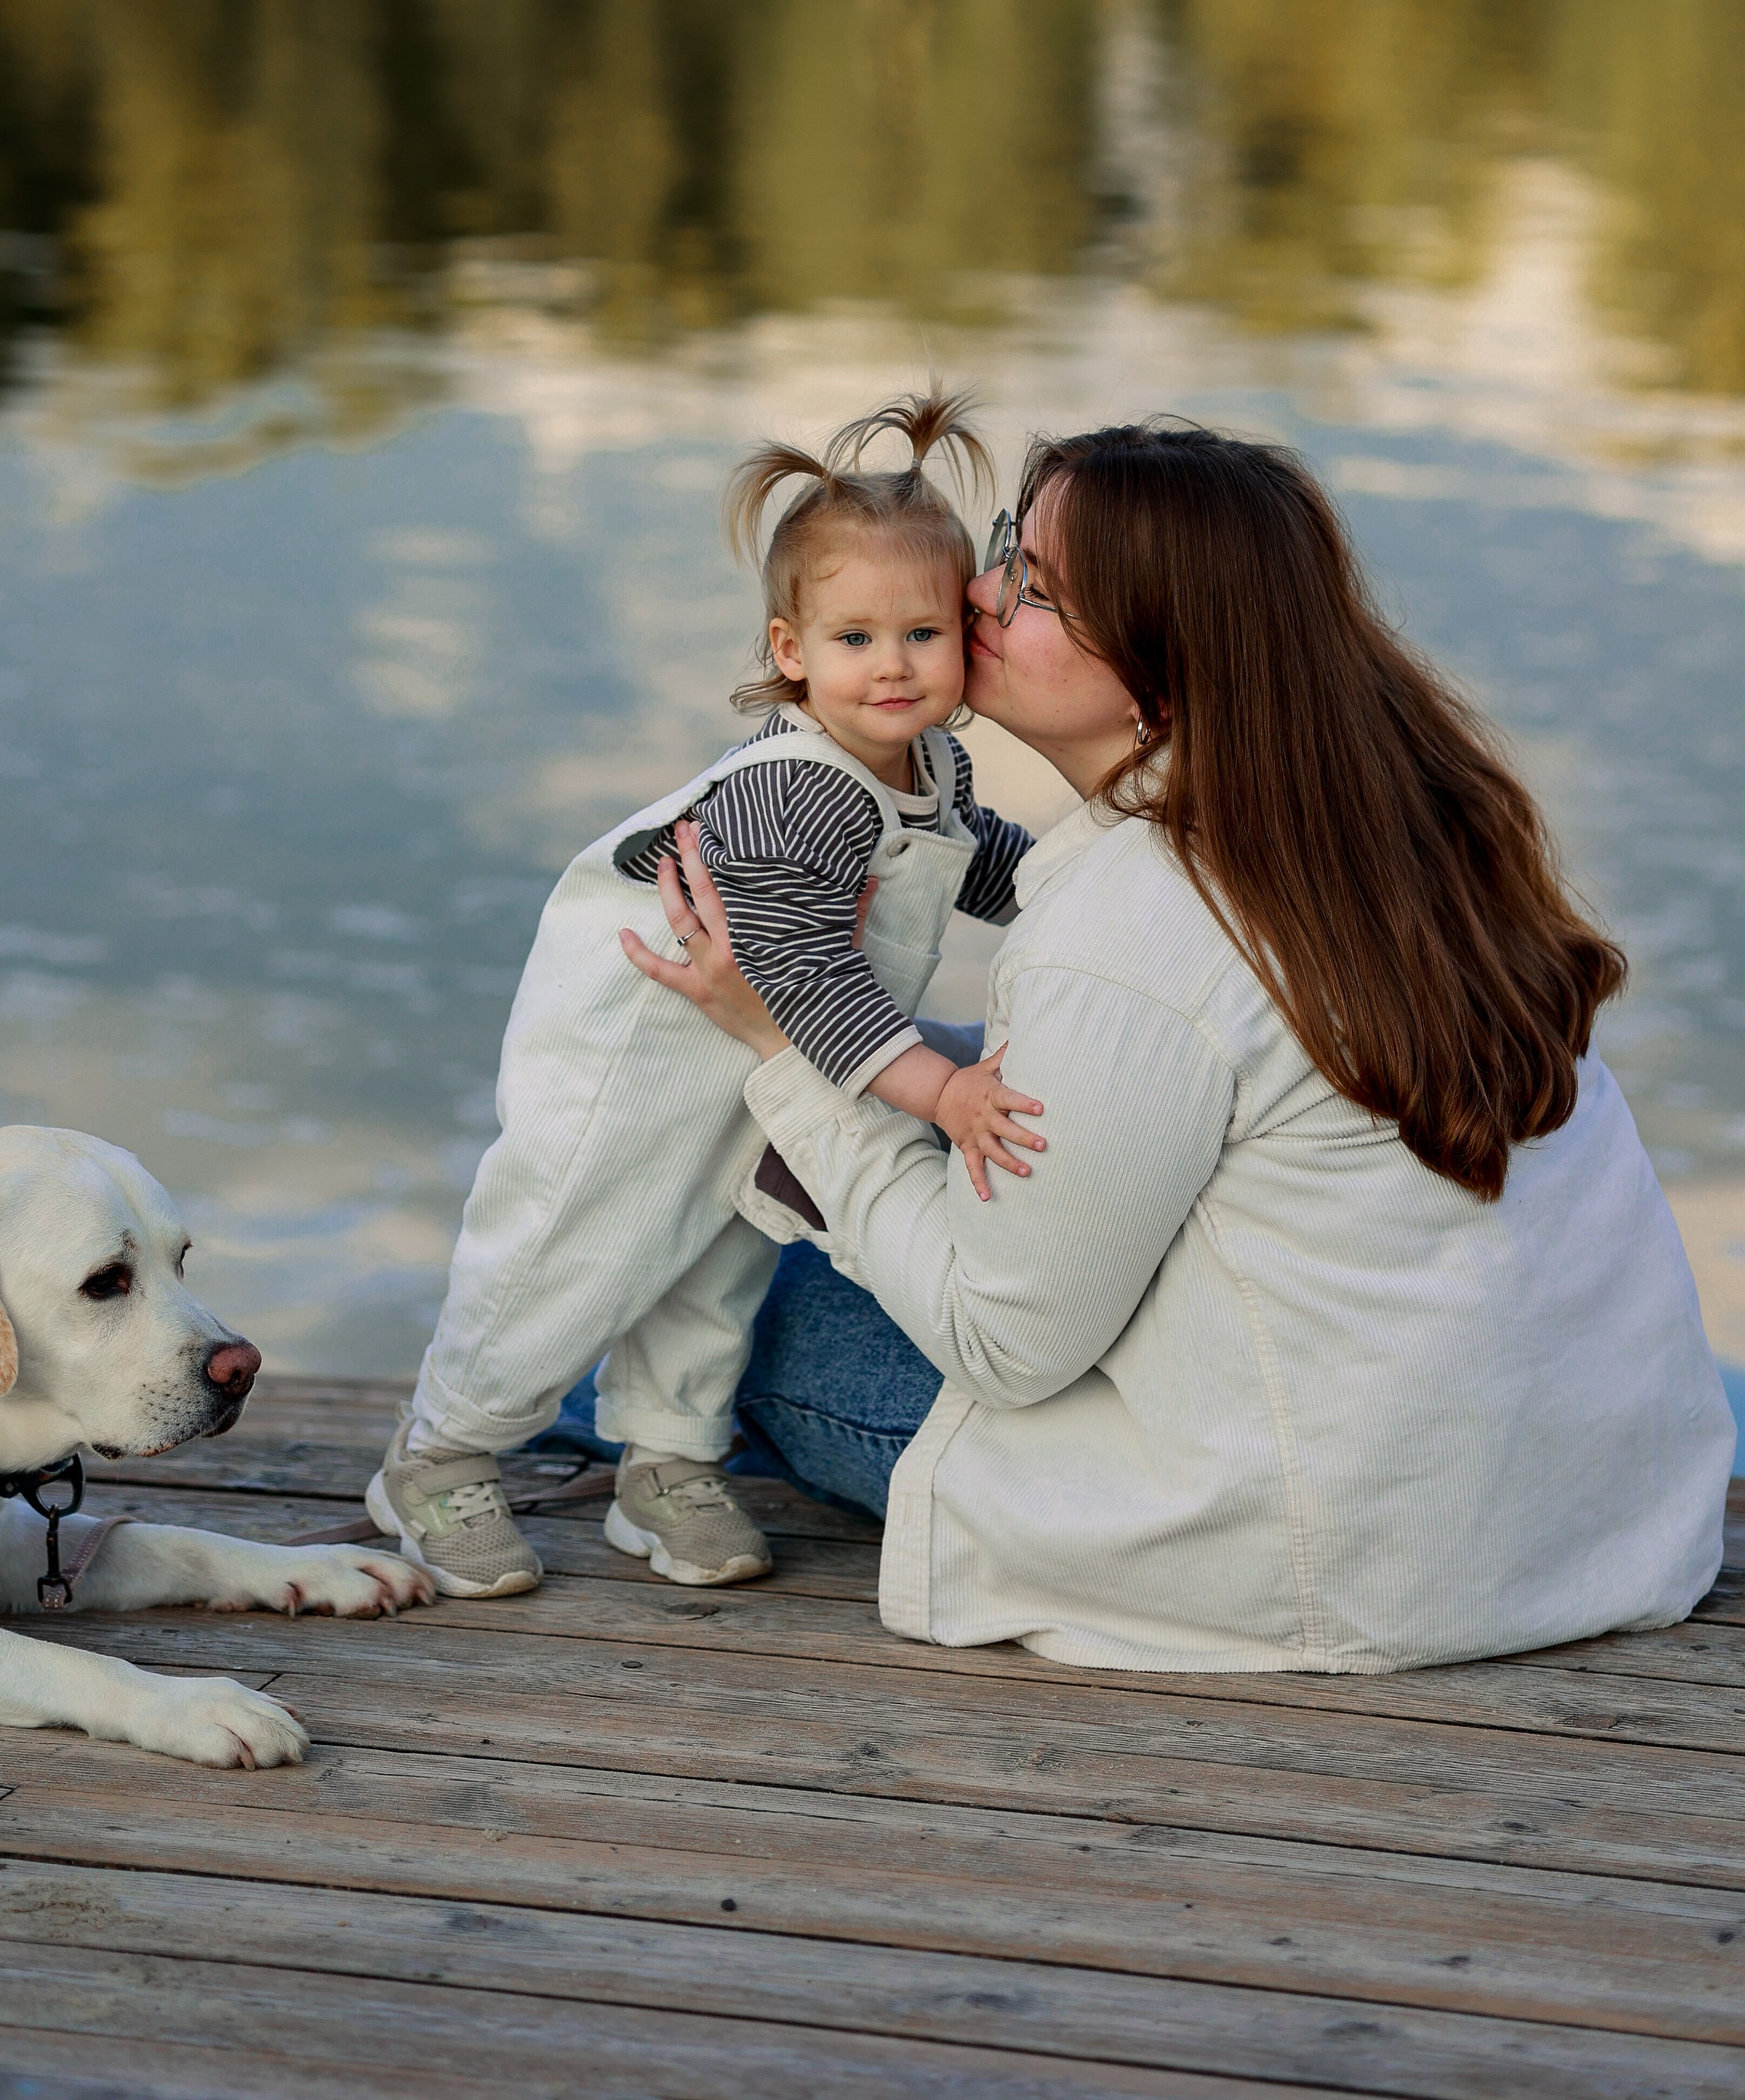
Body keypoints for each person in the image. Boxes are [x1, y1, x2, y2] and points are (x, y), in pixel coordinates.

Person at [627, 420, 1734, 1670]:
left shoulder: (1139, 920)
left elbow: (1007, 1342)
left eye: (1033, 587)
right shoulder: (1396, 824)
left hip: (1327, 1555)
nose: (973, 594)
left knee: (703, 1278)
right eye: (1008, 551)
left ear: (1163, 671)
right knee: (866, 1130)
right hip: (1599, 1514)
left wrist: (780, 1054)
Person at [368, 394, 1041, 1599]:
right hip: (646, 1055)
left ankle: (668, 1461)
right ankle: (441, 1451)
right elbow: (810, 976)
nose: (891, 665)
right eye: (853, 640)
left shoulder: (929, 765)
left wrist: (1083, 894)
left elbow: (982, 857)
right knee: (577, 1245)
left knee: (726, 1255)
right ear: (791, 652)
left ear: (964, 644)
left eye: (922, 634)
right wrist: (940, 1094)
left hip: (766, 1066)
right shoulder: (796, 793)